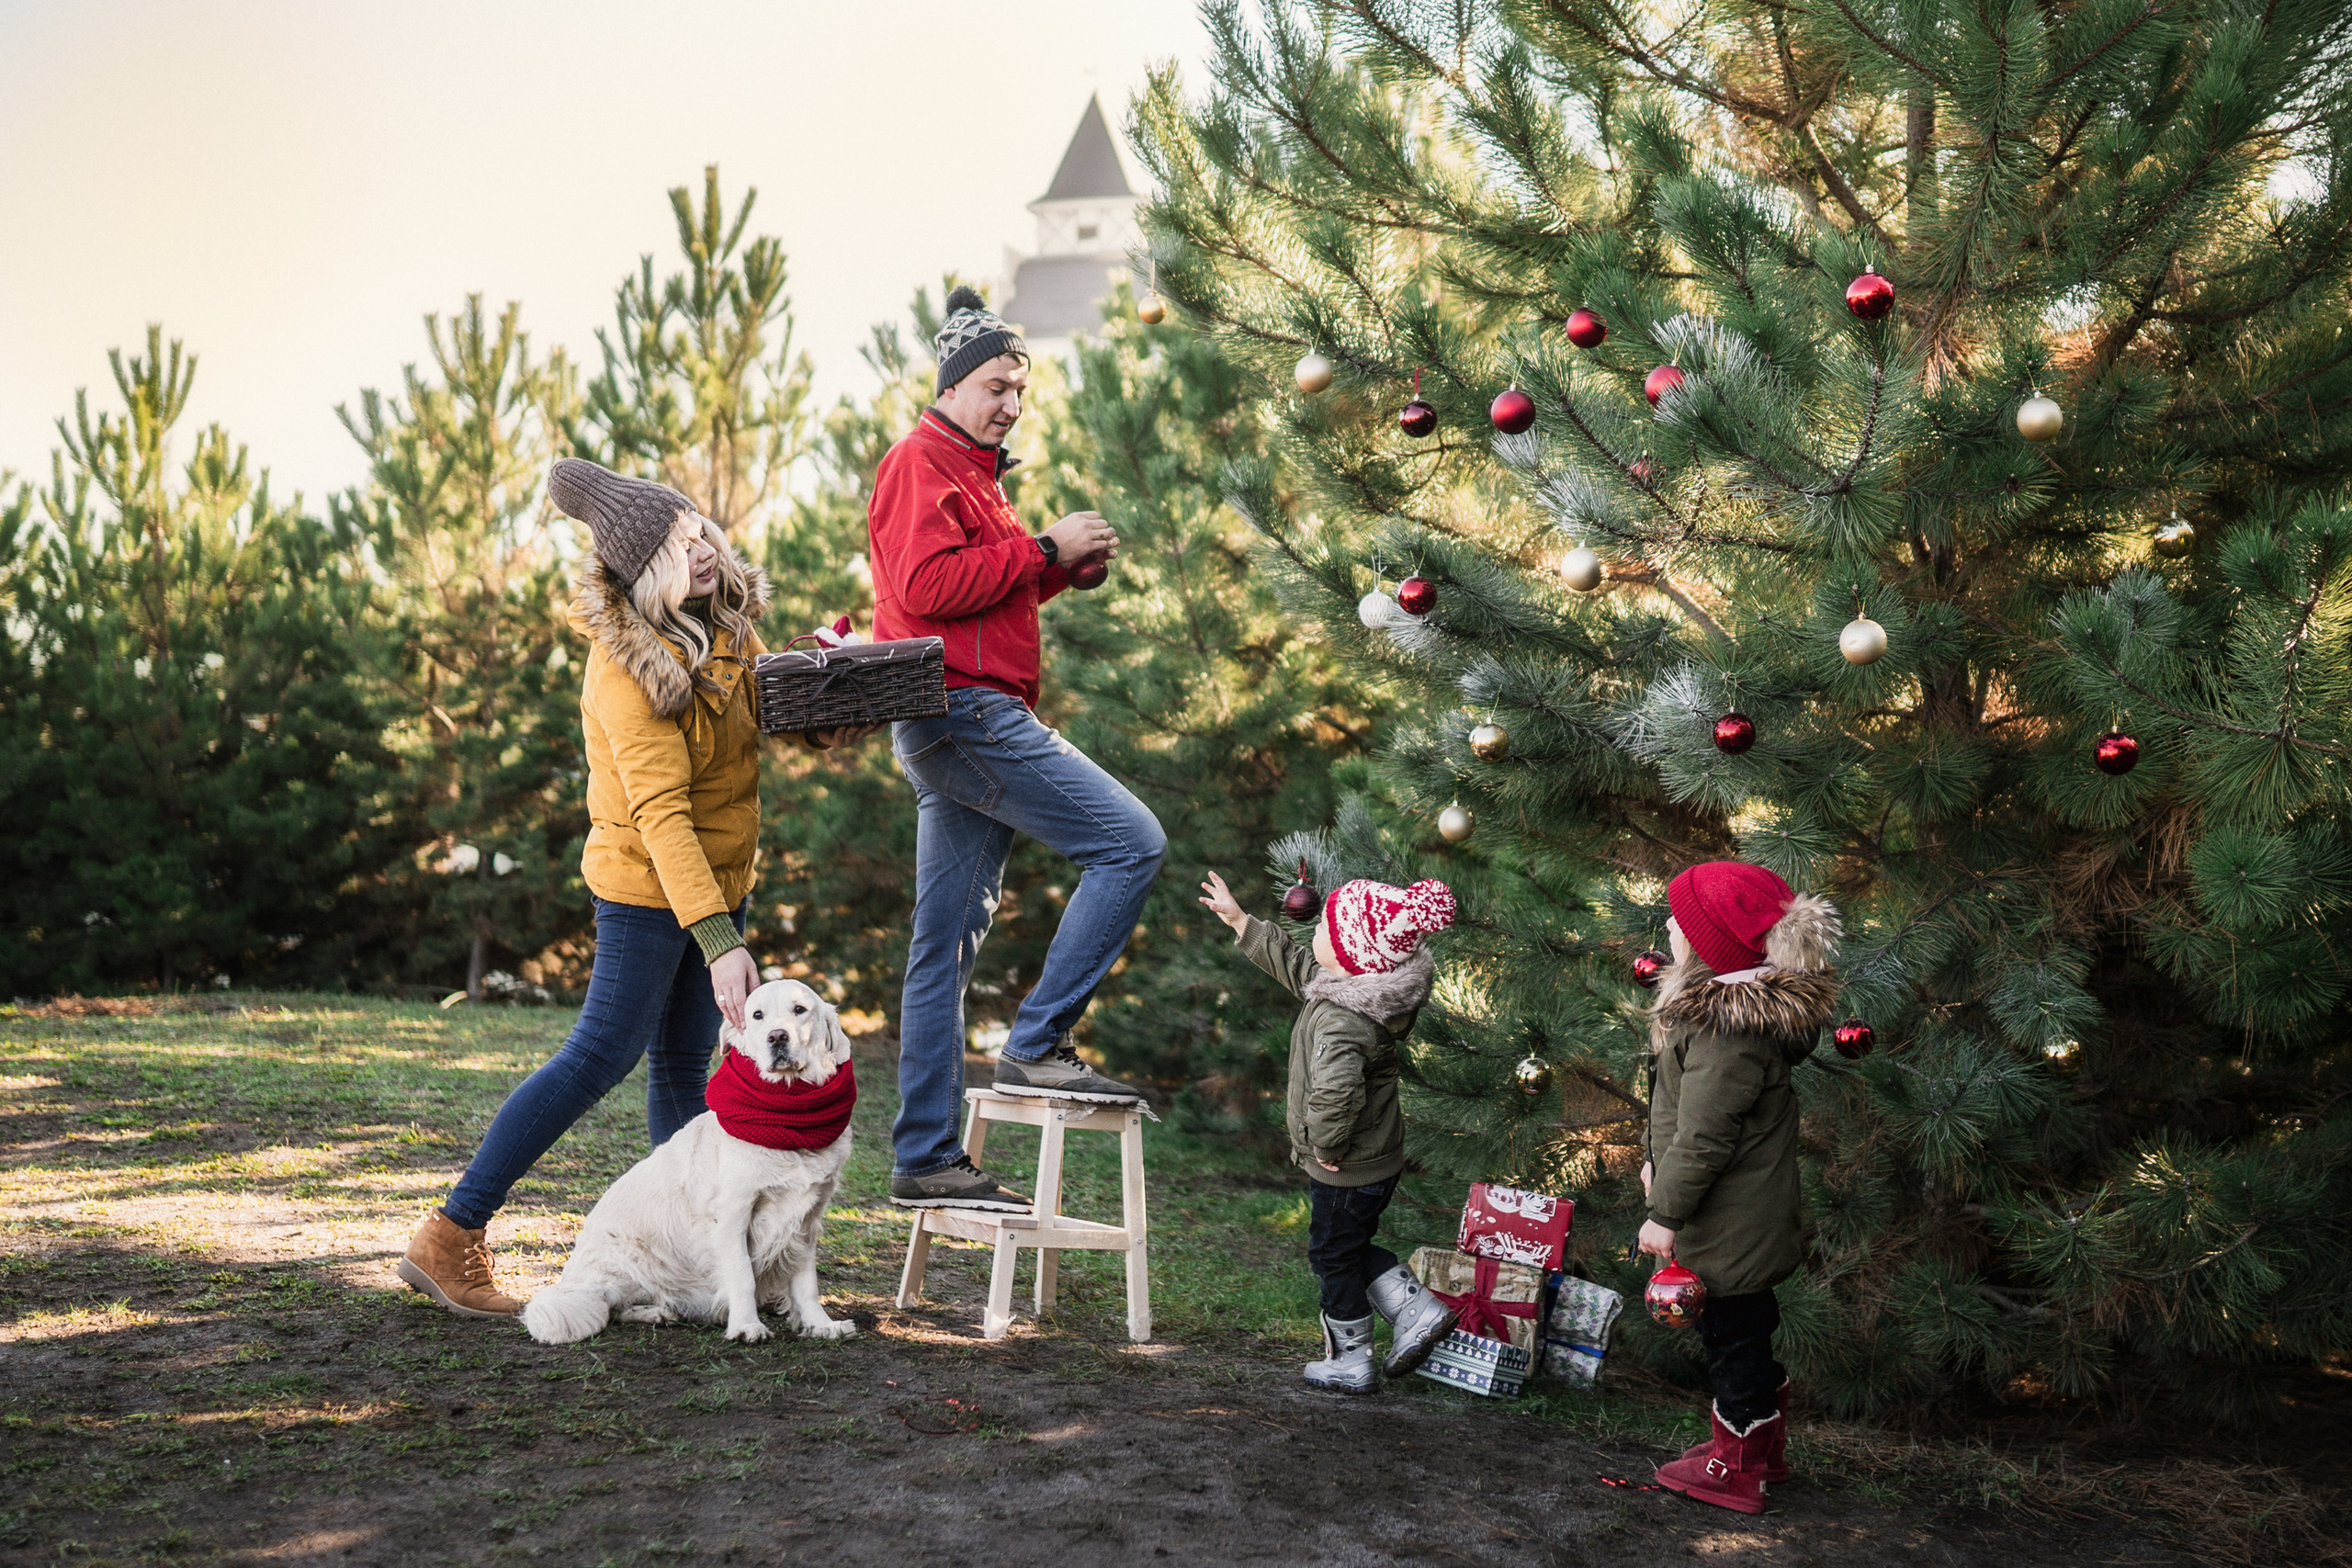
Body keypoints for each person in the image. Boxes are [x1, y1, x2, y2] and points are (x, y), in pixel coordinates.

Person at [399, 457, 833, 1317]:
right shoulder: (627, 665)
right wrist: (719, 938)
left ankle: (711, 1261)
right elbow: (662, 812)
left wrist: (825, 681)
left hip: (717, 878)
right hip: (649, 883)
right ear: (641, 572)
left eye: (698, 524)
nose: (700, 545)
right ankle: (450, 1234)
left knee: (681, 1062)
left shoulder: (728, 628)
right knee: (603, 1052)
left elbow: (759, 727)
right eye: (676, 542)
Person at [868, 286, 1168, 1213]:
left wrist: (1055, 575)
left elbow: (979, 595)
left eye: (1017, 392)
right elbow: (923, 586)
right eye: (995, 385)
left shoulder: (973, 476)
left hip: (951, 714)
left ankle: (925, 1154)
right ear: (954, 384)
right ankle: (1038, 1044)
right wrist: (1043, 546)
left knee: (940, 952)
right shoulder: (922, 462)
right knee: (1131, 844)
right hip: (963, 712)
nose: (1008, 403)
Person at [1198, 868, 1461, 1393]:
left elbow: (1337, 1094)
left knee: (1332, 1254)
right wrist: (1242, 922)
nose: (1312, 936)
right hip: (1372, 1160)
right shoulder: (1354, 991)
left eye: (1323, 930)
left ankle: (1351, 1358)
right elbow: (1300, 967)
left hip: (1347, 1162)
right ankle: (1416, 1311)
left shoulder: (1343, 1020)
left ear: (1349, 956)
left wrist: (1323, 1144)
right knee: (1348, 1244)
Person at [1638, 860, 1841, 1513]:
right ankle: (1760, 1449)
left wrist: (1664, 1211)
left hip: (1728, 1221)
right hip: (1735, 1215)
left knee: (1732, 1337)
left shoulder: (1730, 1033)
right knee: (1744, 1327)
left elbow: (1706, 1136)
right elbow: (1685, 1118)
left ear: (1711, 947)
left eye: (1681, 920)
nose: (1668, 924)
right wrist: (1655, 1165)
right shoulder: (1719, 1016)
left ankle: (1737, 1465)